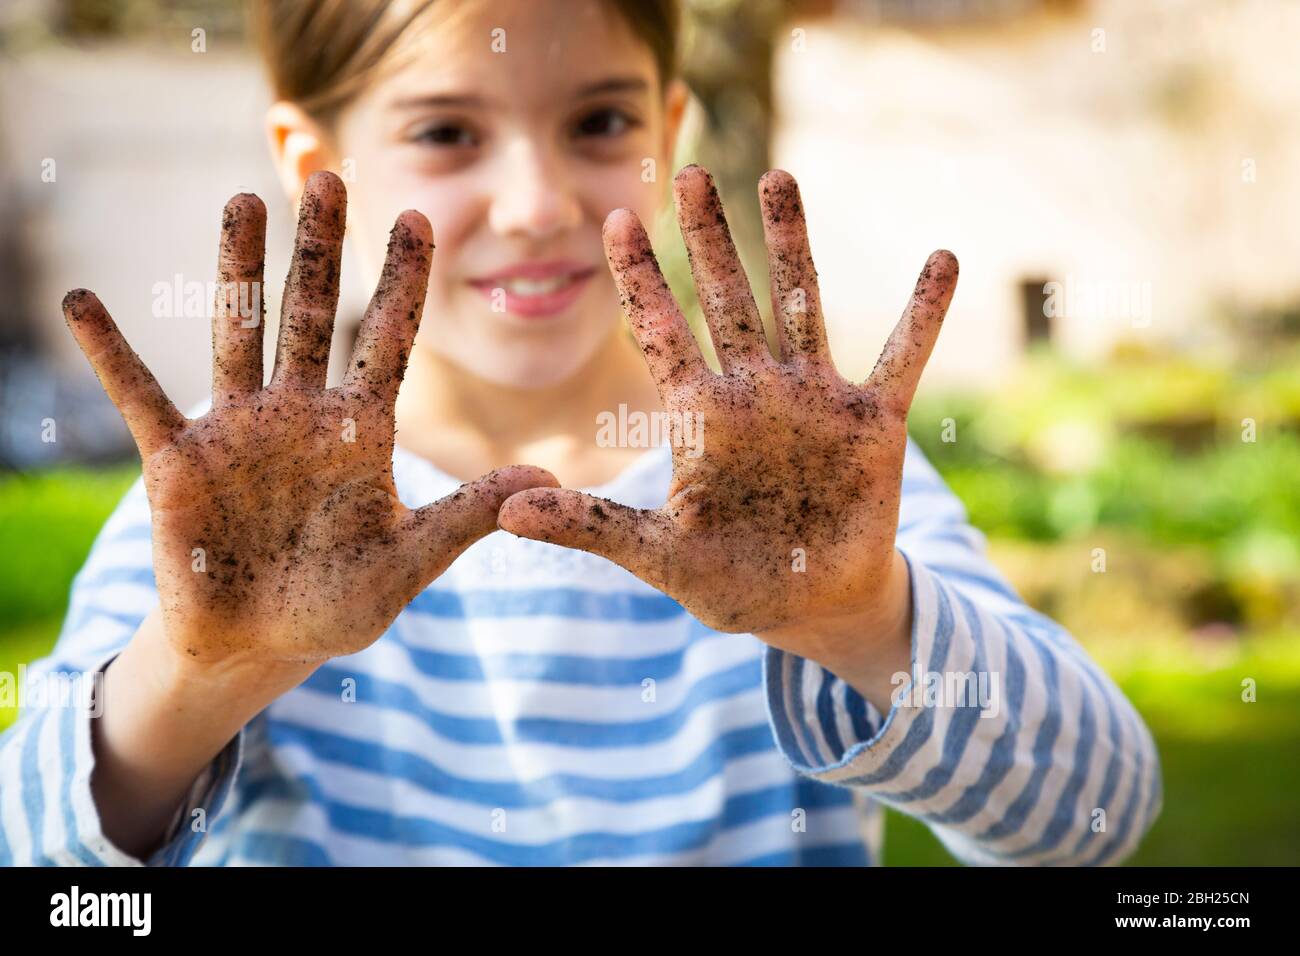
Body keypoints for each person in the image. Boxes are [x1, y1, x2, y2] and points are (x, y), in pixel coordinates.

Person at [0, 0, 1160, 866]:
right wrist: (200, 677)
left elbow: (1095, 817)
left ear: (669, 129)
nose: (540, 203)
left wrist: (855, 615)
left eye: (599, 121)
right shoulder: (228, 507)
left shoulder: (807, 489)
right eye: (448, 131)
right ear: (317, 169)